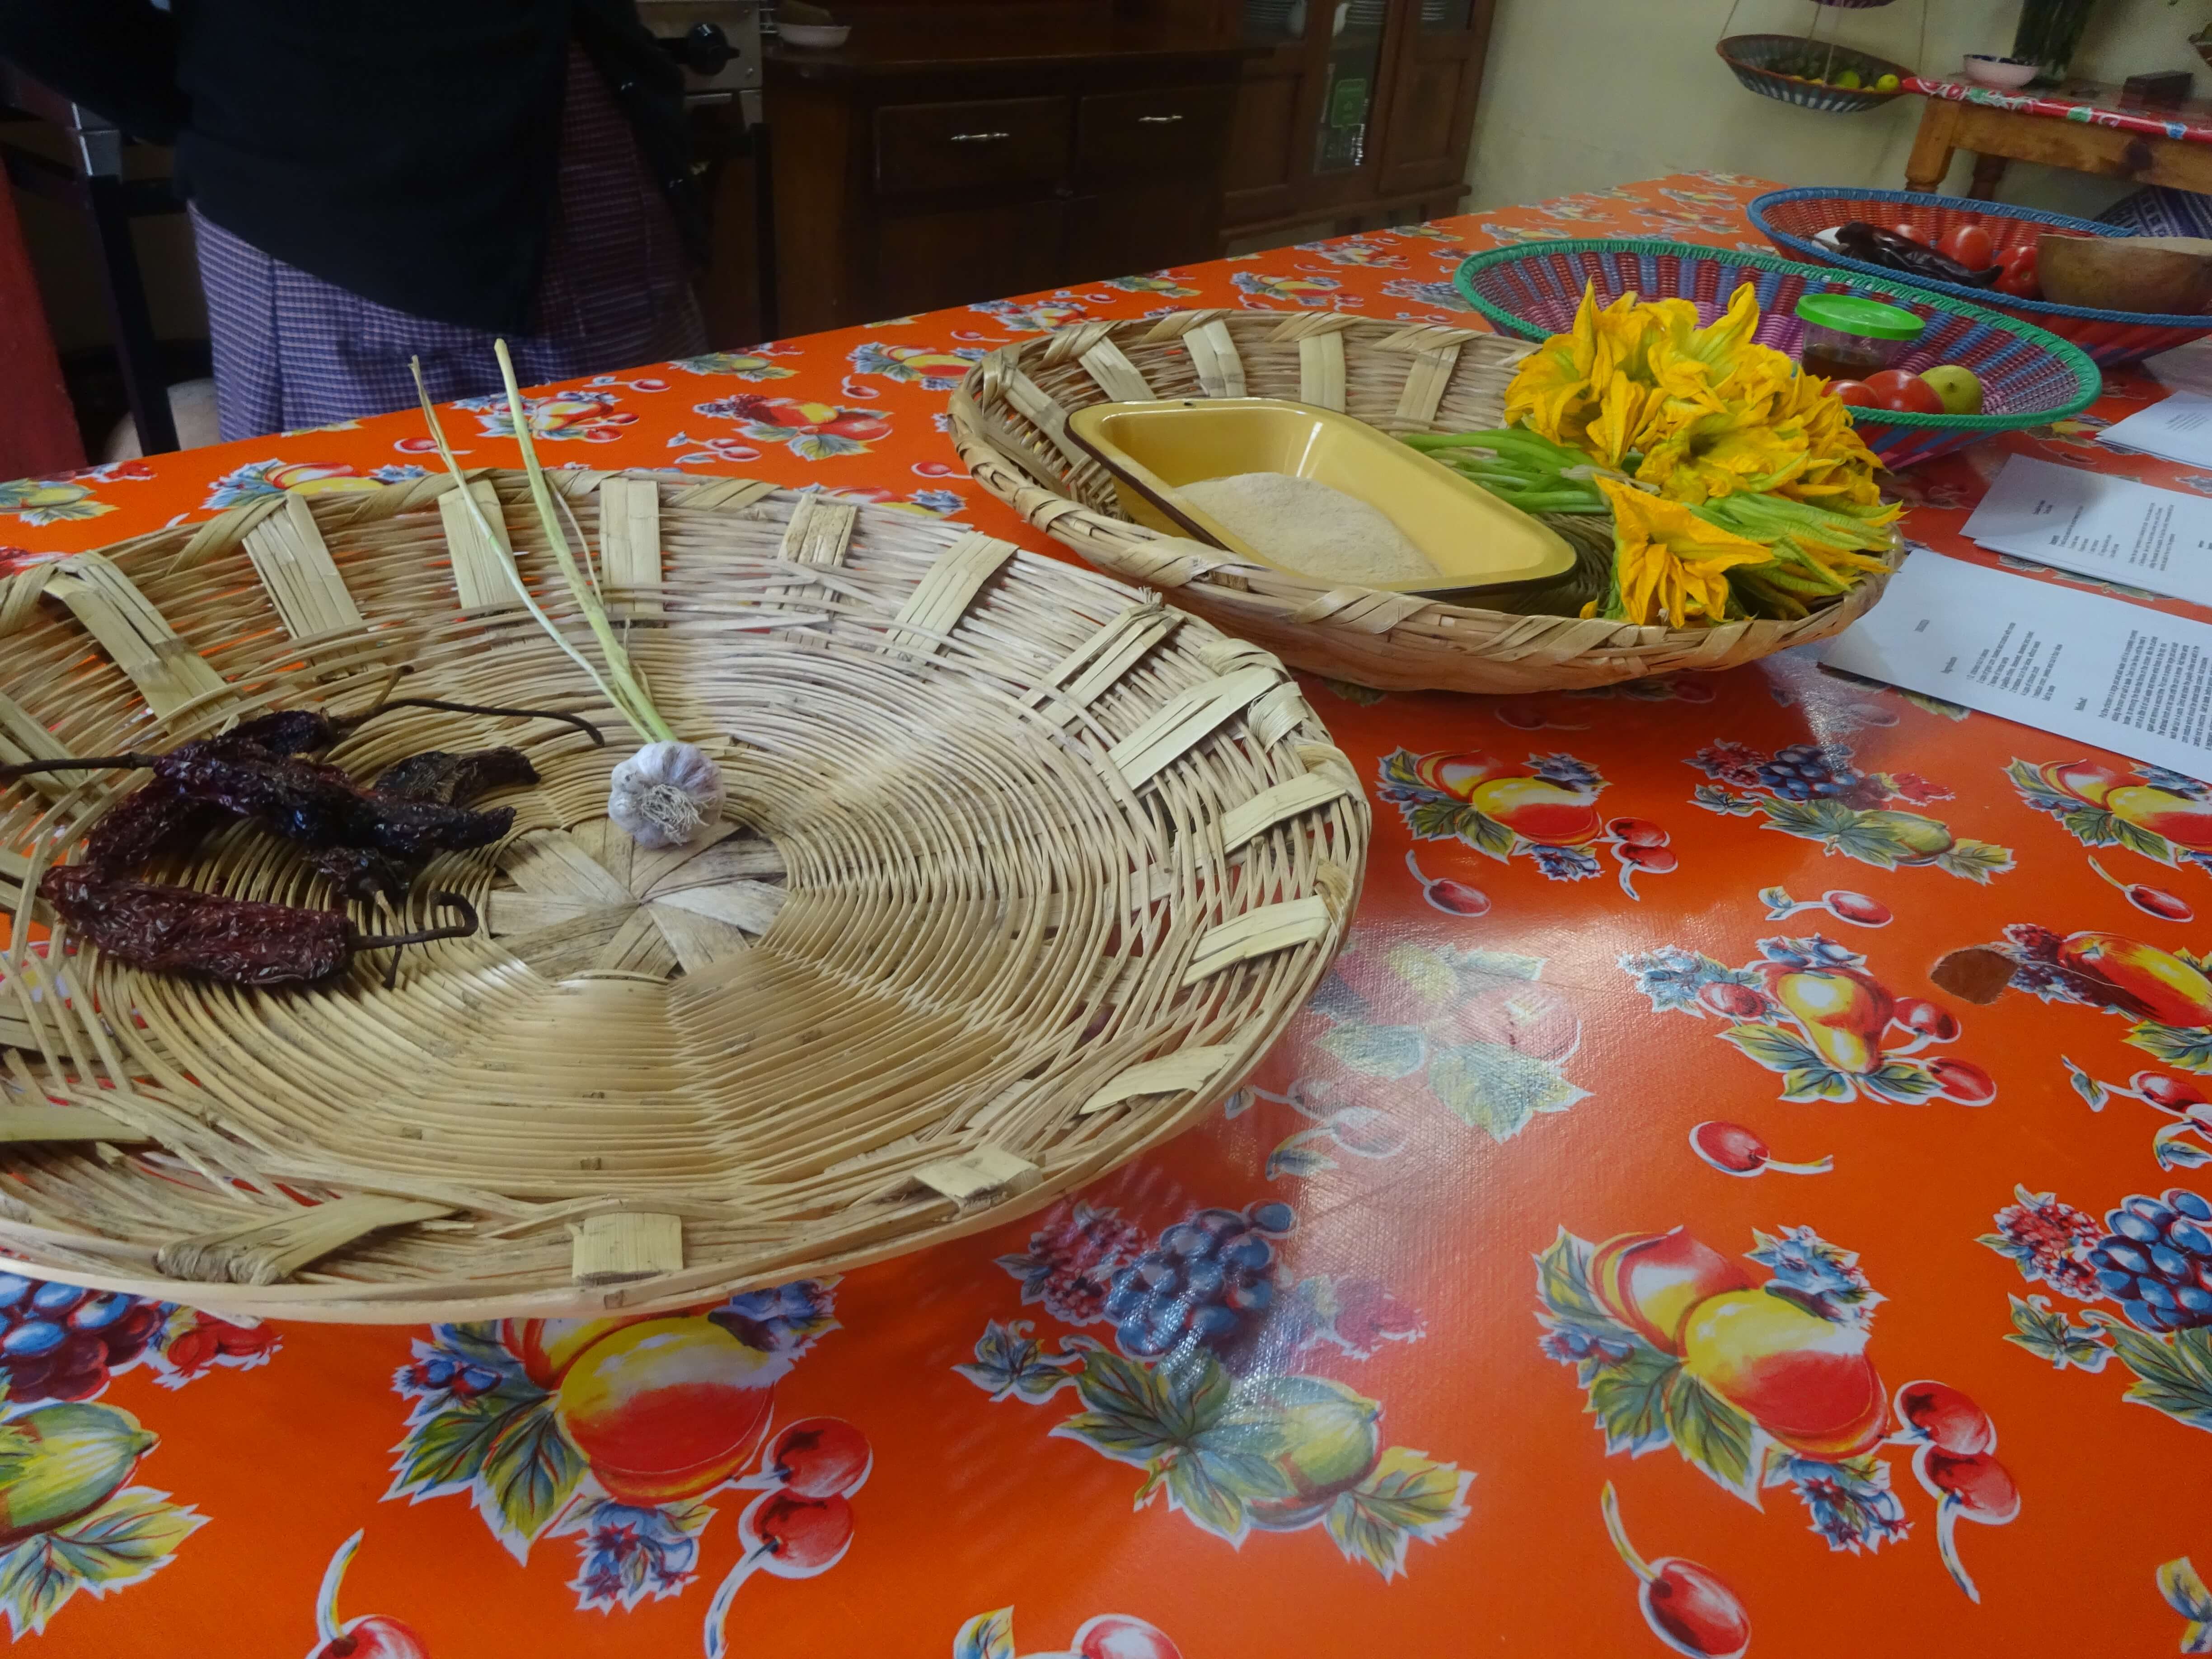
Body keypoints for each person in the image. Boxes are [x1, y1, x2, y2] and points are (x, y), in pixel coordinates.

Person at [0, 0, 708, 441]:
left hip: (597, 166)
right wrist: (229, 98)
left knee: (656, 551)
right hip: (339, 219)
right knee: (383, 602)